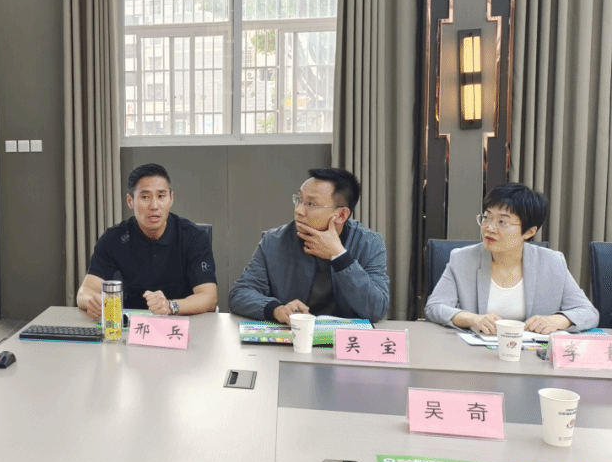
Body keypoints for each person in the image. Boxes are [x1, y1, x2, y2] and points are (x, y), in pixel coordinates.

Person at [424, 183, 598, 334]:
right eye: (487, 218)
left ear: (529, 232)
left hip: (531, 356)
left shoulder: (552, 262)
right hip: (476, 354)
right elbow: (434, 307)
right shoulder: (462, 259)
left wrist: (556, 321)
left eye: (502, 222)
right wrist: (472, 319)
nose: (489, 228)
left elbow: (588, 312)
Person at [228, 168, 390, 323]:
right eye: (299, 199)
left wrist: (339, 256)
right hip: (292, 335)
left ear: (341, 215)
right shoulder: (274, 241)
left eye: (311, 204)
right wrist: (277, 310)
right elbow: (240, 293)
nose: (299, 210)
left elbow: (377, 309)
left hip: (343, 338)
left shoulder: (369, 243)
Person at [76, 163, 217, 317]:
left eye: (161, 196)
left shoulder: (194, 237)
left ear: (171, 199)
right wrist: (93, 302)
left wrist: (170, 306)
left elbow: (209, 298)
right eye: (145, 197)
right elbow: (85, 292)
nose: (154, 206)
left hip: (182, 322)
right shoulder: (114, 238)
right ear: (130, 201)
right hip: (131, 325)